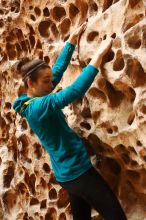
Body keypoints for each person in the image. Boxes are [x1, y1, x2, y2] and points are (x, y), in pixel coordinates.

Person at [12, 22, 127, 220]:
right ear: (30, 83)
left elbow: (55, 72)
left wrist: (71, 42)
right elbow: (74, 91)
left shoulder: (32, 99)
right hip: (79, 173)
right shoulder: (39, 107)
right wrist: (98, 56)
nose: (51, 84)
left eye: (50, 80)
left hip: (67, 175)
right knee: (117, 216)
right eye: (46, 81)